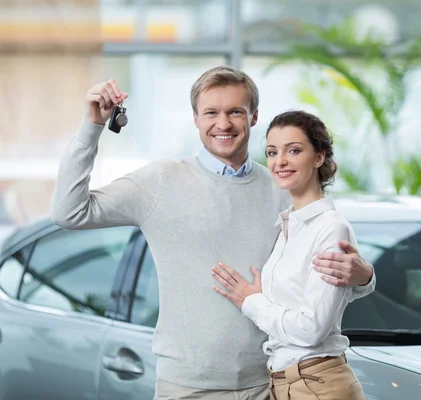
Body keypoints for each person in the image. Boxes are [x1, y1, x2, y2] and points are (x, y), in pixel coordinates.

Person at [50, 65, 375, 400]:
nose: (223, 124)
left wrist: (364, 277)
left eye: (235, 111)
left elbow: (314, 283)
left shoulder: (282, 187)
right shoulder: (160, 181)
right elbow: (68, 212)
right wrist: (92, 127)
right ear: (195, 119)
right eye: (211, 113)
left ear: (253, 117)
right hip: (189, 387)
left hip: (271, 385)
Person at [212, 110, 366, 400]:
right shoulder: (288, 224)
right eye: (272, 152)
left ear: (319, 157)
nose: (279, 161)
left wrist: (252, 302)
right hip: (286, 383)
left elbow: (311, 330)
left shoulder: (330, 228)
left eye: (293, 150)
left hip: (318, 383)